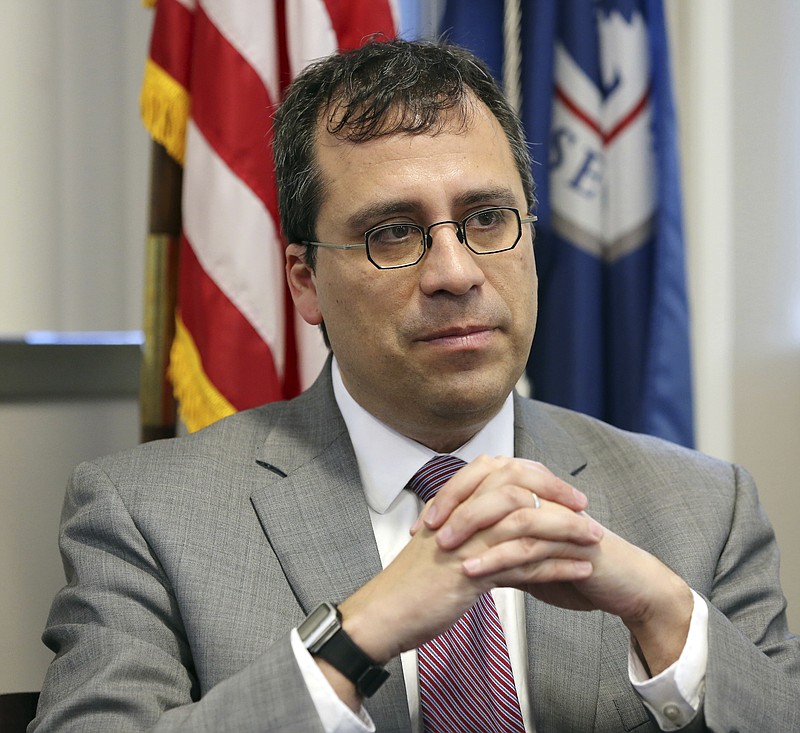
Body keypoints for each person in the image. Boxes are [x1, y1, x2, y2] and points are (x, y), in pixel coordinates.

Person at [31, 39, 798, 733]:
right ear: (304, 281)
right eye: (392, 233)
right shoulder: (146, 517)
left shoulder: (702, 510)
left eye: (489, 219)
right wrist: (355, 637)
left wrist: (662, 617)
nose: (455, 272)